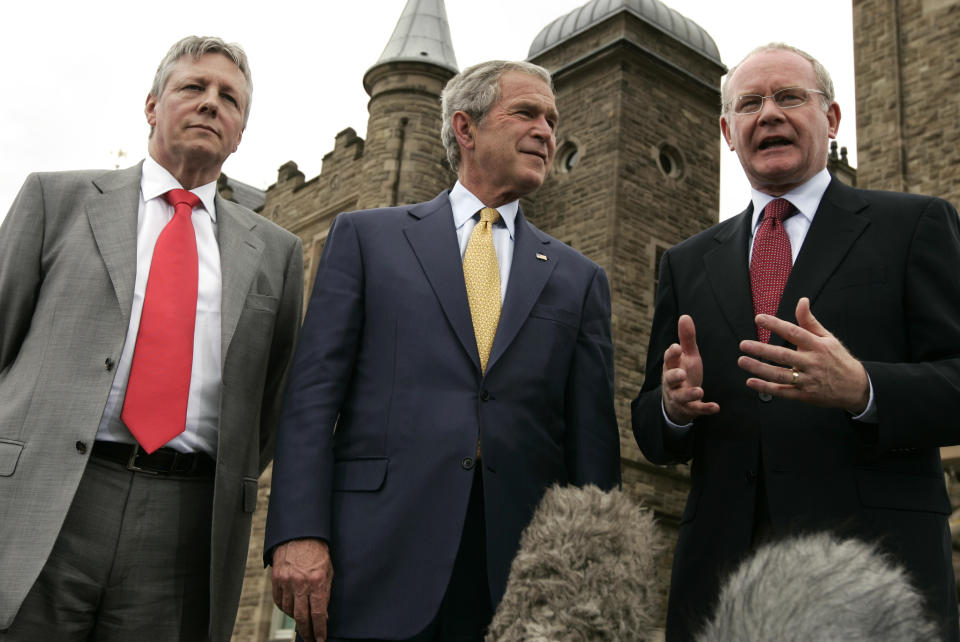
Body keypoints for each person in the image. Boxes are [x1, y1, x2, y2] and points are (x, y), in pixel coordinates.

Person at [265, 59, 621, 642]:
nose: (546, 132)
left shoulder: (578, 278)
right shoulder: (366, 239)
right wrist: (299, 532)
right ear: (465, 128)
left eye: (552, 120)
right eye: (526, 113)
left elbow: (593, 446)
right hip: (374, 557)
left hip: (520, 578)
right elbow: (311, 399)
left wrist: (595, 579)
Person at [632, 42, 960, 641]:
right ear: (728, 131)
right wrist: (672, 408)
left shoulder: (914, 226)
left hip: (873, 576)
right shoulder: (686, 263)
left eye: (789, 97)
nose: (770, 114)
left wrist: (863, 388)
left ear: (830, 118)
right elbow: (651, 432)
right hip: (722, 585)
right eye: (751, 103)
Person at [0, 36, 304, 641]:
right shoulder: (54, 199)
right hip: (47, 497)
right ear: (151, 105)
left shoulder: (277, 251)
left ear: (241, 131)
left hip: (185, 523)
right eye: (193, 88)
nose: (212, 105)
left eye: (230, 99)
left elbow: (272, 402)